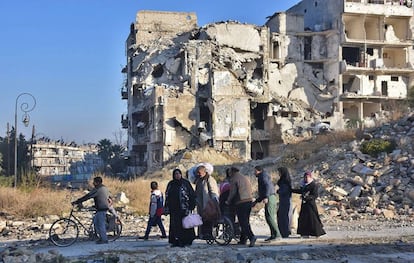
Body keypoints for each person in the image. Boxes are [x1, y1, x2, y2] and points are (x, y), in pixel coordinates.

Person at [72, 176, 110, 244]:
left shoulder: (98, 189)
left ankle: (104, 240)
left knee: (100, 224)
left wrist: (77, 201)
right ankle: (98, 237)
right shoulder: (104, 188)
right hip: (102, 207)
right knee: (96, 222)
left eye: (94, 182)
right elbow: (108, 197)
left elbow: (88, 196)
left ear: (97, 182)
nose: (93, 183)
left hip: (101, 208)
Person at [164, 168, 197, 247]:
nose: (177, 175)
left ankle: (187, 240)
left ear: (181, 174)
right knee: (176, 225)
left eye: (178, 174)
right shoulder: (171, 184)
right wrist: (166, 207)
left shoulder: (185, 183)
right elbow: (167, 195)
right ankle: (176, 241)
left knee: (186, 224)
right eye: (175, 174)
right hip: (174, 209)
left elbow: (191, 195)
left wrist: (192, 205)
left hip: (184, 208)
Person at [225, 167, 257, 247]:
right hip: (249, 201)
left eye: (229, 172)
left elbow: (232, 192)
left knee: (242, 222)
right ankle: (243, 239)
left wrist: (228, 201)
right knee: (245, 221)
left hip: (241, 202)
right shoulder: (244, 177)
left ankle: (251, 237)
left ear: (232, 171)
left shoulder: (234, 179)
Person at [292, 171, 326, 237]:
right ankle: (304, 233)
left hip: (310, 205)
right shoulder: (304, 184)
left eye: (307, 177)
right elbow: (301, 191)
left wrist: (307, 197)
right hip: (304, 205)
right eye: (305, 177)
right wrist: (292, 190)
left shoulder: (313, 185)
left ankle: (316, 233)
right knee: (303, 219)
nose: (306, 179)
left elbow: (315, 195)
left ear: (310, 177)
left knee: (312, 219)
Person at [252, 166, 281, 241]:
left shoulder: (263, 176)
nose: (254, 173)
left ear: (259, 171)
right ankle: (273, 235)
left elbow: (267, 186)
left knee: (270, 217)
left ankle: (277, 235)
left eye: (255, 171)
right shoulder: (262, 176)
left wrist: (266, 197)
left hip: (270, 197)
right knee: (268, 217)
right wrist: (256, 201)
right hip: (269, 197)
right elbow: (263, 191)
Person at [195, 165, 219, 240]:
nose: (198, 174)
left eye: (199, 172)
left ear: (204, 172)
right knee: (201, 219)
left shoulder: (210, 180)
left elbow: (213, 192)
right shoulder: (199, 180)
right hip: (200, 204)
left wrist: (214, 203)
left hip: (208, 204)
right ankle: (201, 234)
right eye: (197, 173)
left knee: (208, 220)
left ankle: (208, 234)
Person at [276, 166, 292, 238]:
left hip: (285, 201)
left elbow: (284, 191)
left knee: (283, 217)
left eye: (279, 172)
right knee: (281, 216)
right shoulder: (283, 180)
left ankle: (285, 232)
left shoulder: (285, 181)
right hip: (283, 200)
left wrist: (278, 191)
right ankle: (283, 231)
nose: (278, 174)